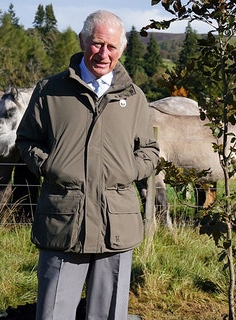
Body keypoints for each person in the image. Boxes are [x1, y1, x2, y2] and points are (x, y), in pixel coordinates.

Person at [15, 10, 159, 320]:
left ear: (121, 49)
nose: (103, 54)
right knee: (54, 313)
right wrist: (50, 165)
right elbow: (26, 140)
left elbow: (149, 150)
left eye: (112, 47)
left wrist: (129, 172)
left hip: (116, 222)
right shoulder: (50, 91)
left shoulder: (134, 98)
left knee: (109, 314)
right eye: (96, 44)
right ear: (82, 41)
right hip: (63, 220)